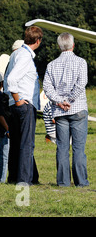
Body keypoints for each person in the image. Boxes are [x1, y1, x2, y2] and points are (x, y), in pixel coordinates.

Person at [43, 32, 89, 187]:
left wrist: (60, 101)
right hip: (77, 109)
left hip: (60, 111)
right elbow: (82, 83)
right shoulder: (81, 62)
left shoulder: (51, 65)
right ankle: (81, 182)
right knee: (78, 148)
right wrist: (69, 100)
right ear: (73, 45)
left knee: (62, 148)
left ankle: (63, 182)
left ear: (59, 46)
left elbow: (47, 87)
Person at [4, 26, 42, 185]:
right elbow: (12, 79)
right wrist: (18, 99)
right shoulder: (25, 56)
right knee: (27, 143)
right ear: (38, 41)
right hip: (23, 104)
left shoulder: (16, 54)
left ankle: (14, 177)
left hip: (13, 104)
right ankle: (24, 179)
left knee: (16, 142)